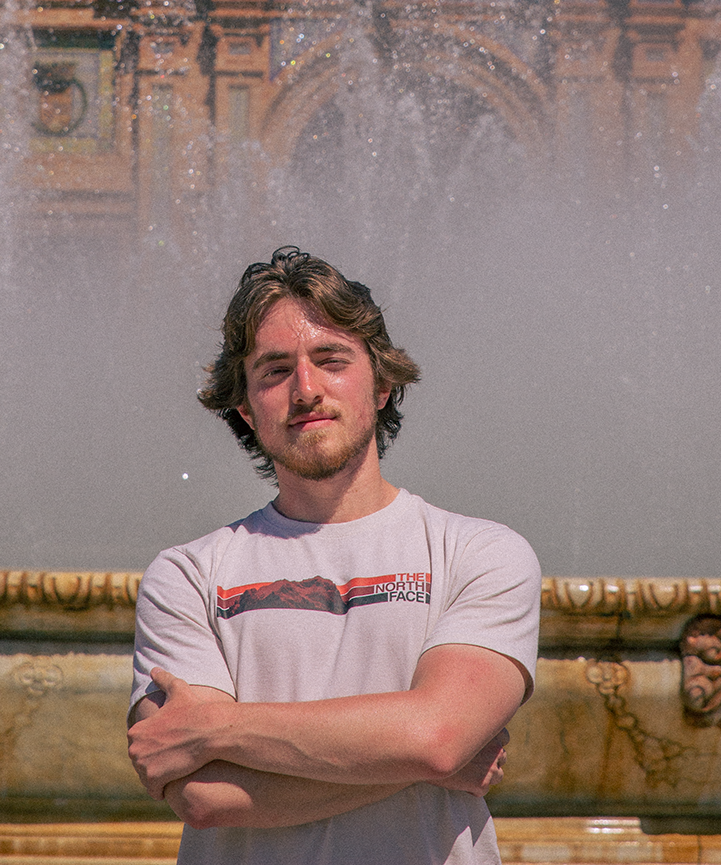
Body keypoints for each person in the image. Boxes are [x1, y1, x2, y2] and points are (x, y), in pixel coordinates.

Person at [127, 246, 541, 864]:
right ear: (244, 408)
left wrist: (218, 728)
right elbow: (207, 797)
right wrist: (417, 758)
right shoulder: (187, 574)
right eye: (273, 371)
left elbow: (437, 737)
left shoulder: (481, 554)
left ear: (381, 385)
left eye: (331, 360)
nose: (305, 389)